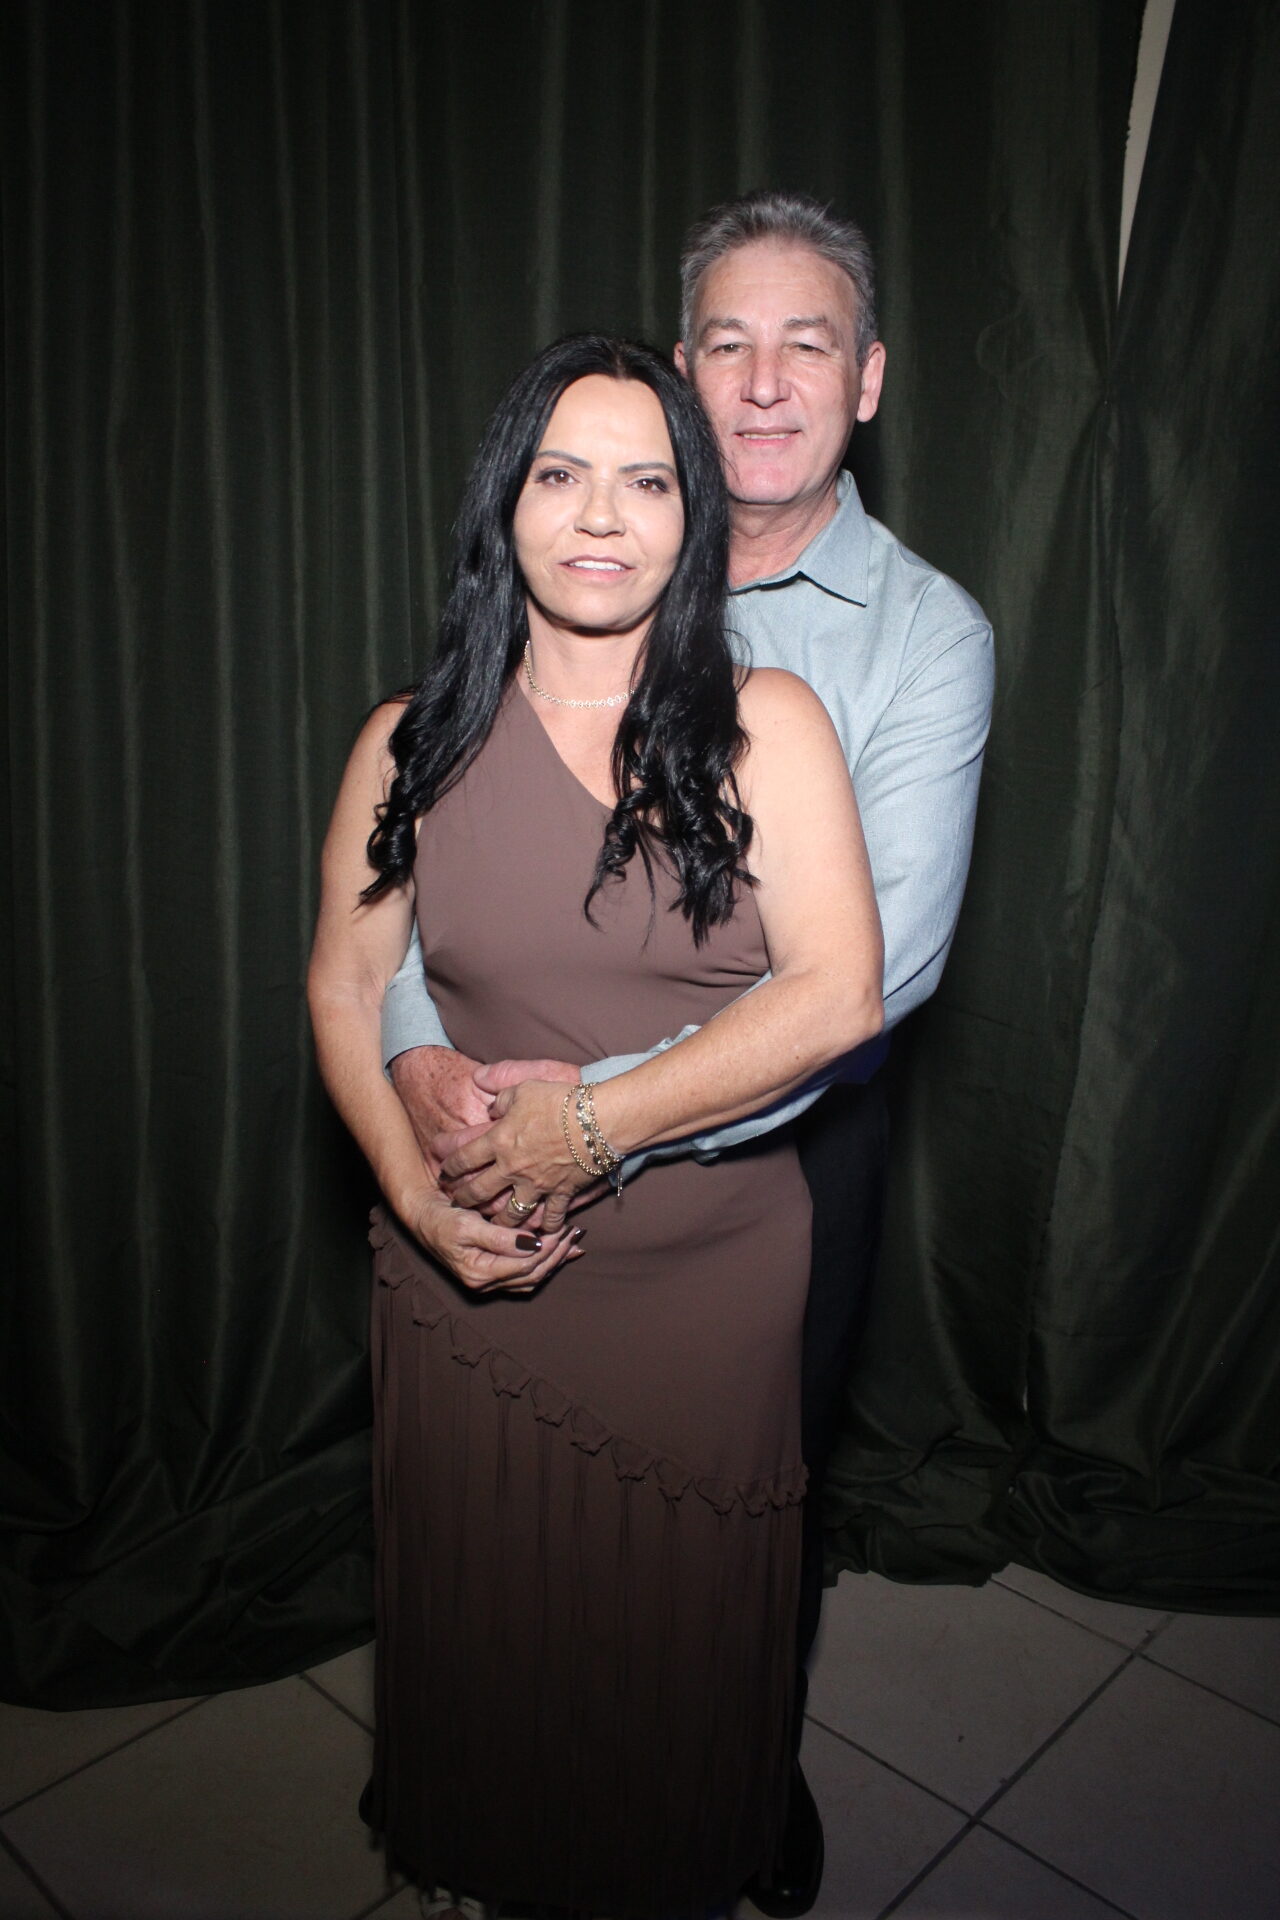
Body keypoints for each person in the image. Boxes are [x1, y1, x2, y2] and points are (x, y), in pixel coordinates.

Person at [384, 193, 995, 1917]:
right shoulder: (569, 552)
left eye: (809, 343)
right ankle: (501, 1762)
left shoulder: (922, 637)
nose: (765, 381)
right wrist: (424, 1056)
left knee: (737, 1513)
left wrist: (592, 1117)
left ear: (868, 382)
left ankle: (731, 1770)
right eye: (727, 341)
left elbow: (880, 965)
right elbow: (422, 856)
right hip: (493, 1122)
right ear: (675, 371)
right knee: (506, 1509)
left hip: (772, 1160)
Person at [308, 332, 883, 1917]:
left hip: (703, 1288)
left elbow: (838, 993)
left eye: (647, 481)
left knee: (669, 1667)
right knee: (492, 1638)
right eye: (562, 474)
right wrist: (415, 1201)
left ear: (695, 517)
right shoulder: (409, 740)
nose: (603, 516)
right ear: (506, 503)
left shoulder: (769, 725)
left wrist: (597, 1126)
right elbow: (346, 988)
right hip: (466, 1278)